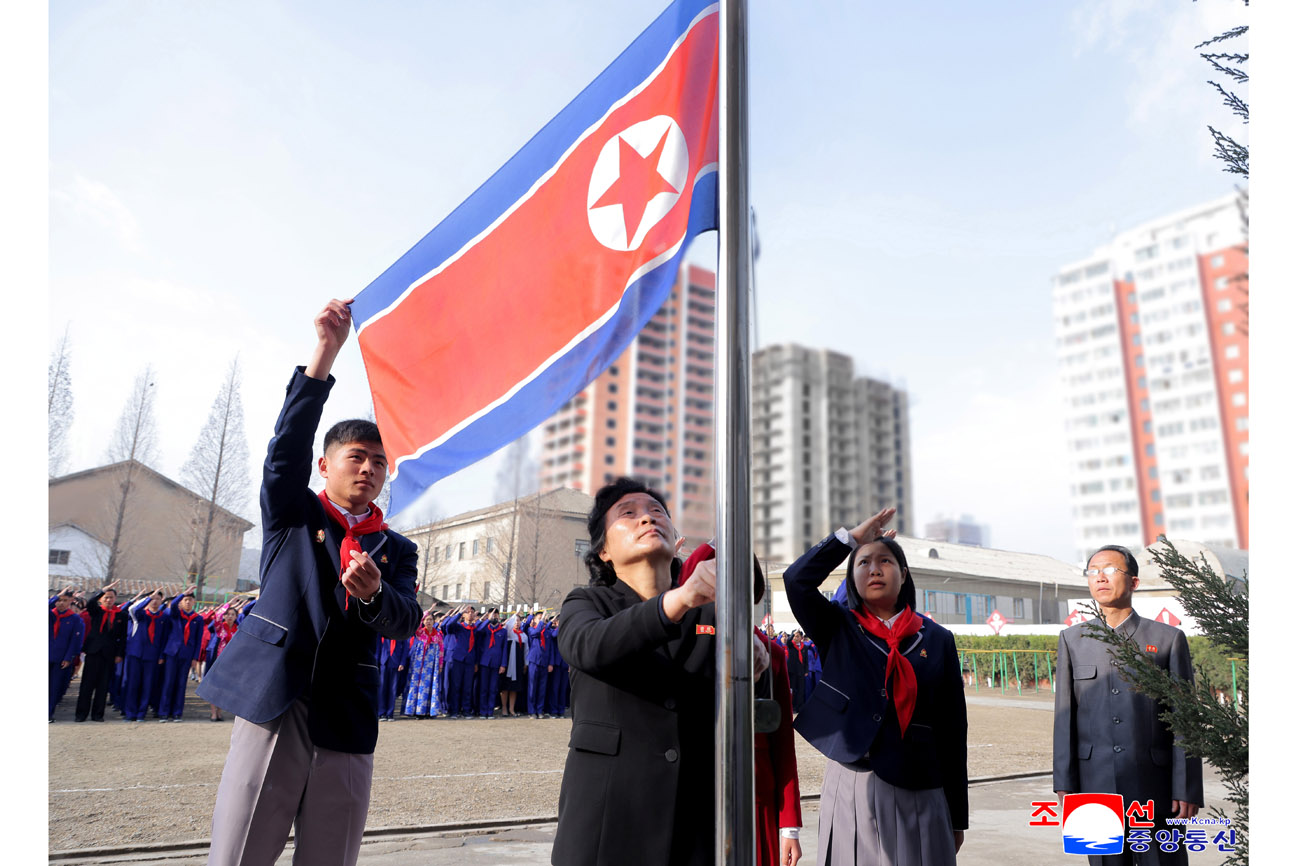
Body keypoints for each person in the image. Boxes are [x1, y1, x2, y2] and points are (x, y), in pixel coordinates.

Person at [197, 298, 421, 866]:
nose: (369, 468)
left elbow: (406, 620)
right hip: (277, 697)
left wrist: (374, 594)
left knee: (331, 852)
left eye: (378, 461)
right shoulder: (294, 514)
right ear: (326, 466)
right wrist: (324, 354)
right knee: (242, 848)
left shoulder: (396, 549)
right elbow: (283, 455)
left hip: (346, 712)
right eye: (356, 456)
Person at [551, 477, 720, 866]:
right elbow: (590, 646)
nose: (647, 519)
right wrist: (676, 601)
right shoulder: (586, 603)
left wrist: (755, 668)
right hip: (608, 826)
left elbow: (744, 708)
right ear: (604, 550)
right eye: (629, 514)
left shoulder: (710, 615)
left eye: (657, 511)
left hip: (692, 827)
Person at [787, 508, 967, 866]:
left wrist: (957, 813)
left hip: (922, 783)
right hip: (853, 779)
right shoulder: (837, 627)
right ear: (852, 578)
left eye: (885, 561)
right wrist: (851, 540)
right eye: (864, 562)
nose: (874, 568)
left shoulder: (937, 639)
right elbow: (796, 580)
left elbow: (952, 728)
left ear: (904, 574)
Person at [1053, 544, 1204, 866]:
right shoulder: (1073, 640)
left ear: (1134, 582)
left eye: (1110, 570)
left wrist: (1187, 787)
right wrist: (1065, 784)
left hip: (1155, 785)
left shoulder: (1167, 639)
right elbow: (1064, 717)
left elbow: (1185, 719)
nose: (1100, 578)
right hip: (1095, 785)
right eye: (1093, 571)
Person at [75, 582, 126, 723]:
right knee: (87, 685)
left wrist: (119, 654)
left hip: (109, 653)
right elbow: (90, 602)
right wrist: (101, 591)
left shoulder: (121, 615)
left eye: (111, 597)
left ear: (115, 599)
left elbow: (122, 637)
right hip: (93, 651)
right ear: (101, 599)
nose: (109, 600)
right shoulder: (96, 610)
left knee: (103, 686)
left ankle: (98, 714)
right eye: (106, 597)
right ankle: (81, 714)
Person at [124, 589, 170, 723]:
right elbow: (132, 610)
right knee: (133, 684)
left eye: (157, 599)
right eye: (152, 599)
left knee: (147, 685)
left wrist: (161, 655)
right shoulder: (140, 614)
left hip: (152, 655)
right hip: (135, 654)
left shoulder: (163, 617)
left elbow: (164, 638)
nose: (154, 602)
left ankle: (141, 713)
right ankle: (130, 712)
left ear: (161, 601)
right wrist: (147, 598)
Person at [159, 586, 204, 722]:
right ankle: (164, 712)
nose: (188, 602)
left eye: (190, 600)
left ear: (194, 602)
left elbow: (198, 640)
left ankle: (177, 712)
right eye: (185, 600)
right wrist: (183, 593)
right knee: (168, 683)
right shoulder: (176, 615)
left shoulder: (198, 619)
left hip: (187, 654)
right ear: (181, 602)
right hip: (172, 653)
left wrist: (195, 657)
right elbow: (172, 605)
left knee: (181, 684)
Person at [49, 587, 86, 722]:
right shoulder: (50, 615)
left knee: (55, 687)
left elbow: (76, 641)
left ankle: (48, 713)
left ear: (71, 601)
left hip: (60, 659)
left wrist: (69, 657)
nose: (61, 603)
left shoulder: (75, 618)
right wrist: (54, 597)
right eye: (59, 600)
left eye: (65, 600)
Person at [440, 605, 478, 719]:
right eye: (468, 612)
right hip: (458, 659)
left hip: (470, 660)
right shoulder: (459, 627)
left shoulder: (476, 628)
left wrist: (476, 662)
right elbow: (448, 625)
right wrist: (459, 613)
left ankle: (466, 710)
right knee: (455, 686)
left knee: (467, 687)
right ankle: (454, 710)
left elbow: (478, 646)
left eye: (472, 612)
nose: (470, 614)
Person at [403, 611, 442, 718]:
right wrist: (422, 614)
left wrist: (440, 664)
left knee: (430, 686)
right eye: (426, 619)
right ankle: (415, 710)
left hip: (432, 665)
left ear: (434, 621)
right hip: (418, 664)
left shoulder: (438, 635)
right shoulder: (419, 632)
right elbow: (414, 625)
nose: (428, 622)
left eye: (430, 619)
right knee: (417, 685)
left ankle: (429, 711)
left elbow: (441, 650)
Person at [476, 610, 506, 718]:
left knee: (493, 688)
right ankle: (483, 711)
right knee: (484, 688)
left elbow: (504, 648)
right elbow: (478, 630)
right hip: (485, 662)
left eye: (496, 615)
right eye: (493, 615)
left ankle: (490, 711)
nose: (495, 617)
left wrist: (503, 664)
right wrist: (487, 620)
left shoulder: (502, 631)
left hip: (496, 663)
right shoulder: (485, 629)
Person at [378, 631, 410, 721]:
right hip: (384, 662)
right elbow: (378, 646)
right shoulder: (383, 631)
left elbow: (405, 649)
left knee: (393, 689)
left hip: (396, 663)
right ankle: (381, 713)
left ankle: (390, 713)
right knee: (382, 688)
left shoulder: (400, 632)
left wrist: (402, 663)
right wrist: (377, 661)